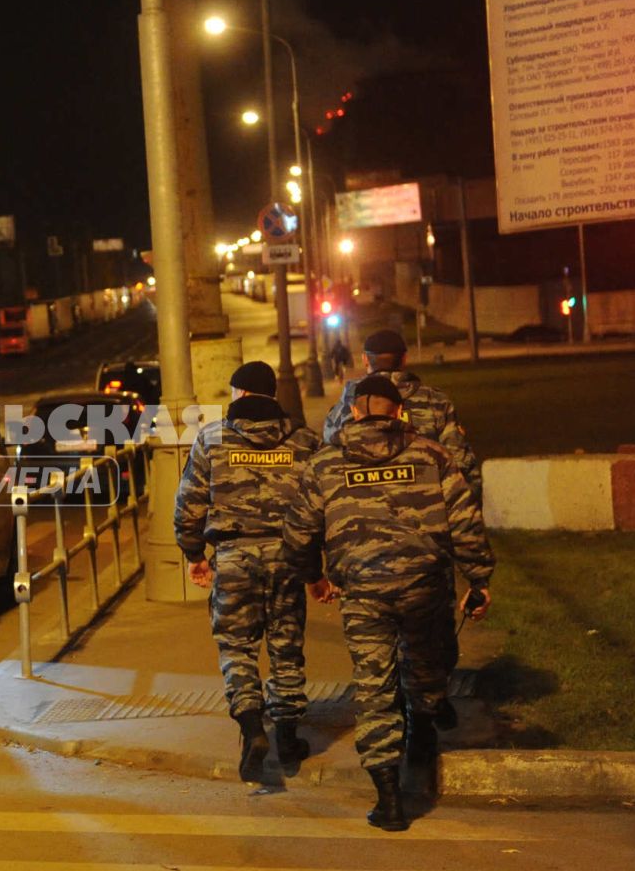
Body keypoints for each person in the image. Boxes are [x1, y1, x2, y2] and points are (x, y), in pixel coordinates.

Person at [282, 374, 494, 831]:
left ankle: (389, 799)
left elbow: (298, 534)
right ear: (399, 411)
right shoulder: (432, 455)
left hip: (362, 593)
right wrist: (478, 579)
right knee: (424, 665)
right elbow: (466, 523)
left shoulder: (324, 465)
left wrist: (314, 578)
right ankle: (420, 736)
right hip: (424, 586)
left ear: (355, 410)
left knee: (374, 687)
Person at [174, 361, 325, 783]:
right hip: (288, 557)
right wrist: (314, 564)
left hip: (234, 557)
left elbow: (188, 503)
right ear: (272, 395)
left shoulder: (212, 438)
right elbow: (319, 506)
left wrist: (194, 553)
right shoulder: (303, 440)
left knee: (237, 646)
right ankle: (289, 738)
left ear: (238, 393)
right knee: (285, 643)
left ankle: (252, 726)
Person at [321, 328, 481, 504]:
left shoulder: (349, 402)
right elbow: (460, 460)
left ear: (365, 359)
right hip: (425, 504)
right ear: (404, 359)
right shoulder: (435, 401)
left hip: (360, 505)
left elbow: (328, 453)